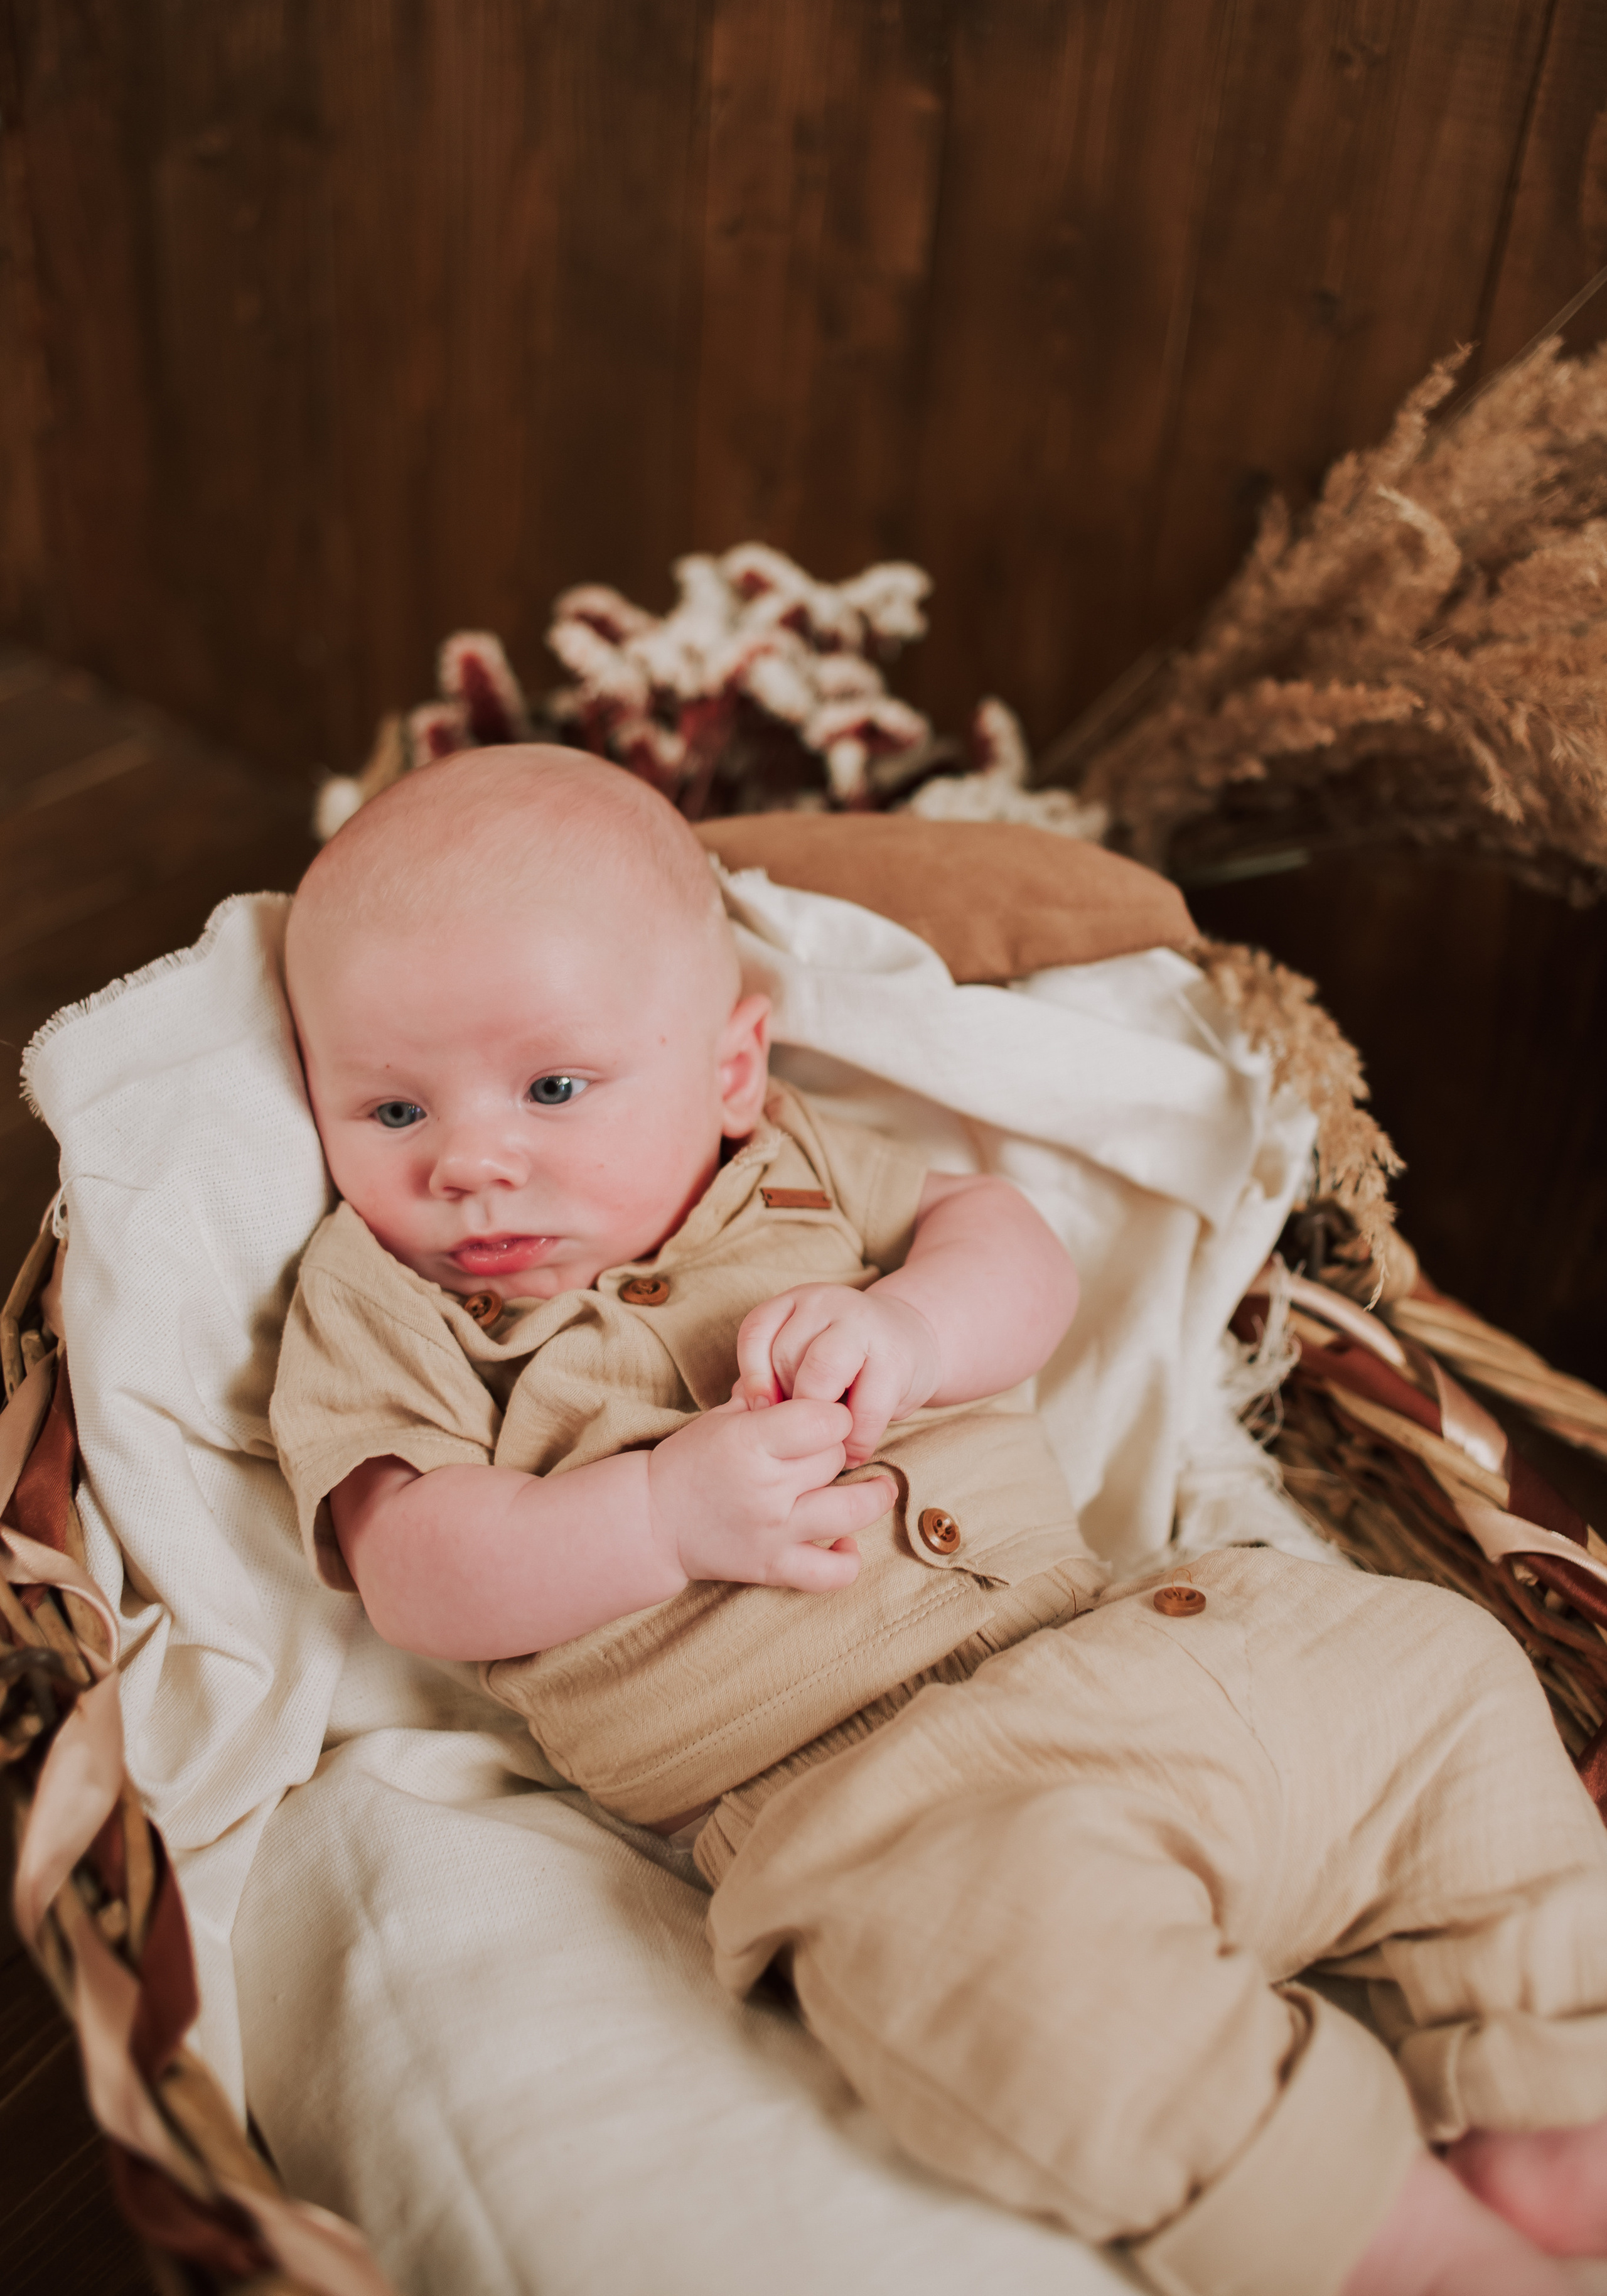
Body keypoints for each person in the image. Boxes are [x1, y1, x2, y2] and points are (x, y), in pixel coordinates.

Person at [271, 745, 1607, 2296]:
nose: (469, 1163)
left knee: (1430, 1668)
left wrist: (911, 1329)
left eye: (553, 1088)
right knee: (1008, 1981)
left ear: (728, 1069)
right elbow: (414, 1568)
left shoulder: (796, 1169)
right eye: (389, 1108)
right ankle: (1392, 2243)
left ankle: (1550, 2086)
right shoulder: (383, 1300)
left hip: (1130, 1637)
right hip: (876, 1807)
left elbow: (1012, 1249)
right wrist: (655, 1518)